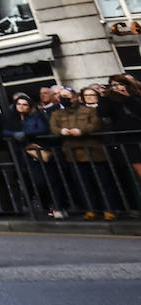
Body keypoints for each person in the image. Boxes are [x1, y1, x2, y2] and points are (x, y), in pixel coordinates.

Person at [51, 87, 119, 221]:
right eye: (62, 96)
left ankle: (109, 209)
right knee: (83, 183)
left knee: (103, 182)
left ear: (75, 97)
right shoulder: (57, 114)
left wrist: (81, 130)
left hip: (93, 151)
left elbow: (96, 124)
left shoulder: (89, 111)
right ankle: (91, 209)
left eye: (67, 96)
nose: (65, 99)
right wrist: (61, 131)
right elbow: (54, 127)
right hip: (72, 153)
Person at [3, 93, 67, 219]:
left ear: (29, 106)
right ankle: (48, 205)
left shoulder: (36, 116)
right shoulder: (12, 118)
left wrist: (26, 133)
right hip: (25, 154)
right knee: (38, 182)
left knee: (51, 180)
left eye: (24, 104)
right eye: (19, 104)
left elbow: (43, 129)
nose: (21, 106)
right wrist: (15, 134)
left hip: (40, 150)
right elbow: (4, 131)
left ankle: (59, 207)